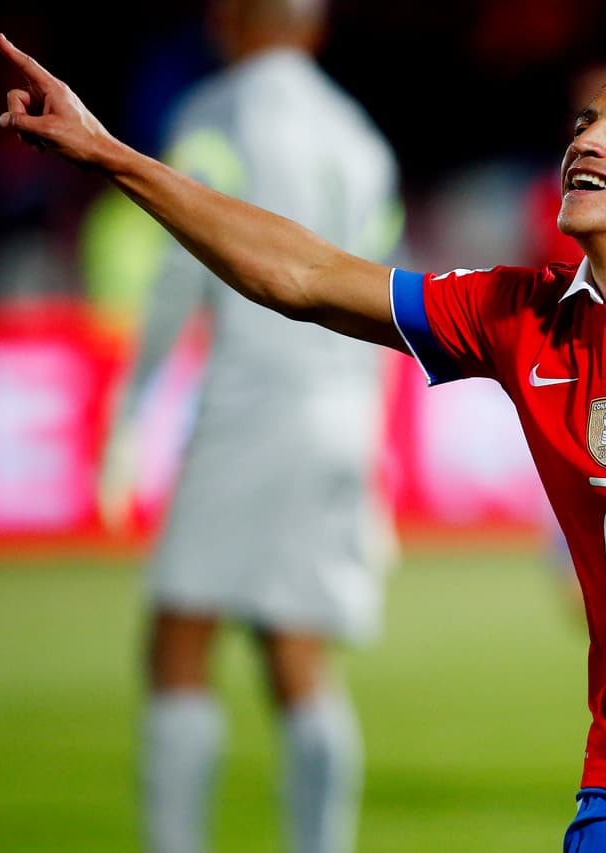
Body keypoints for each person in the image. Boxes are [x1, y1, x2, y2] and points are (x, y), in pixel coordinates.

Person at [0, 33, 606, 851]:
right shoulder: (518, 314)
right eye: (586, 124)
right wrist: (107, 152)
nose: (588, 140)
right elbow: (305, 274)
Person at [89, 1, 404, 851]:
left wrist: (128, 417)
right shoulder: (362, 137)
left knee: (178, 634)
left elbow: (173, 275)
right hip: (342, 412)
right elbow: (384, 304)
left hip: (252, 404)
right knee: (292, 642)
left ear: (230, 20)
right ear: (315, 28)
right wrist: (373, 463)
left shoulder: (216, 114)